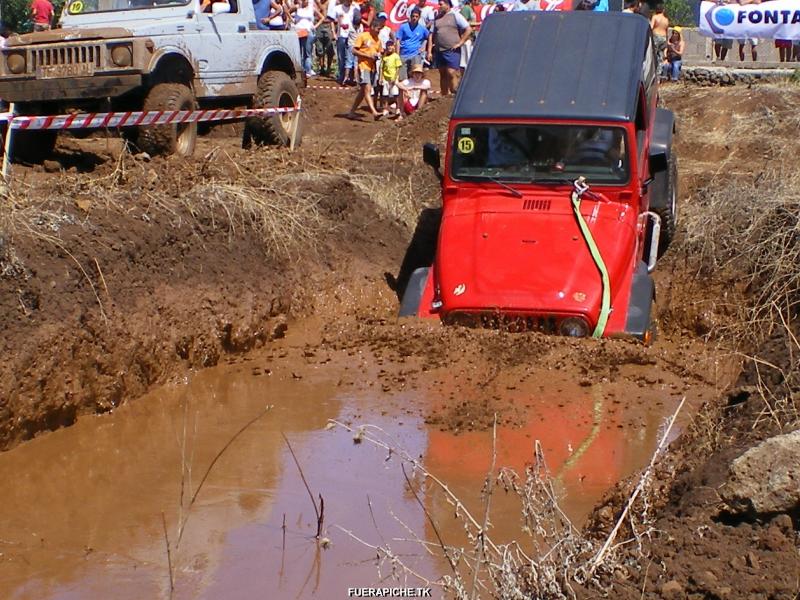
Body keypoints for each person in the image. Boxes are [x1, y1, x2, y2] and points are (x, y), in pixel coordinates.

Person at [427, 0, 472, 96]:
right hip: (439, 50)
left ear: (447, 5)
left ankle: (454, 95)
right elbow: (431, 35)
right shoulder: (437, 18)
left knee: (451, 72)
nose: (439, 6)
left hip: (452, 50)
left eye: (441, 4)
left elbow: (468, 29)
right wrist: (429, 51)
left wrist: (460, 43)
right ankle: (444, 98)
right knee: (442, 73)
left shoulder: (456, 15)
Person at [347, 18, 384, 120]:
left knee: (363, 92)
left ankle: (351, 112)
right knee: (367, 89)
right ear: (372, 27)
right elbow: (354, 50)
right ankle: (374, 112)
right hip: (363, 66)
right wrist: (367, 56)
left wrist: (379, 55)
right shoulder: (363, 36)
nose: (379, 31)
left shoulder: (378, 40)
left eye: (380, 29)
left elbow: (380, 52)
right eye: (378, 29)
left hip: (372, 68)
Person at [396, 8, 430, 79]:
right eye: (413, 16)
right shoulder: (403, 27)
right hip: (403, 55)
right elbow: (398, 41)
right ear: (410, 16)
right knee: (402, 78)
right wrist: (397, 55)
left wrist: (424, 46)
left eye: (416, 16)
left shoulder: (422, 29)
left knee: (415, 78)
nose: (414, 18)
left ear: (419, 17)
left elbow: (429, 37)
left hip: (416, 55)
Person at [335, 0, 361, 84]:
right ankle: (342, 76)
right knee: (341, 57)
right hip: (341, 35)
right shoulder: (338, 8)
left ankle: (351, 77)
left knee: (352, 59)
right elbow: (333, 20)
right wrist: (334, 31)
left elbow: (358, 20)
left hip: (352, 37)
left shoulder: (355, 8)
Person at [292, 0, 321, 76]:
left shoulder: (312, 8)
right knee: (299, 51)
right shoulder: (298, 7)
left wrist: (315, 26)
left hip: (308, 32)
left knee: (307, 52)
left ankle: (308, 70)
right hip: (298, 31)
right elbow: (287, 11)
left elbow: (322, 17)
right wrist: (293, 20)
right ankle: (300, 69)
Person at [380, 39, 403, 115]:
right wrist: (380, 78)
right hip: (386, 78)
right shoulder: (384, 57)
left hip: (393, 78)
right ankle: (385, 108)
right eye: (388, 45)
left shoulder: (396, 56)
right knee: (385, 94)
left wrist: (395, 78)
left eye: (391, 45)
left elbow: (398, 68)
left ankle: (398, 108)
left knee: (395, 94)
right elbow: (382, 68)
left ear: (394, 47)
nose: (389, 47)